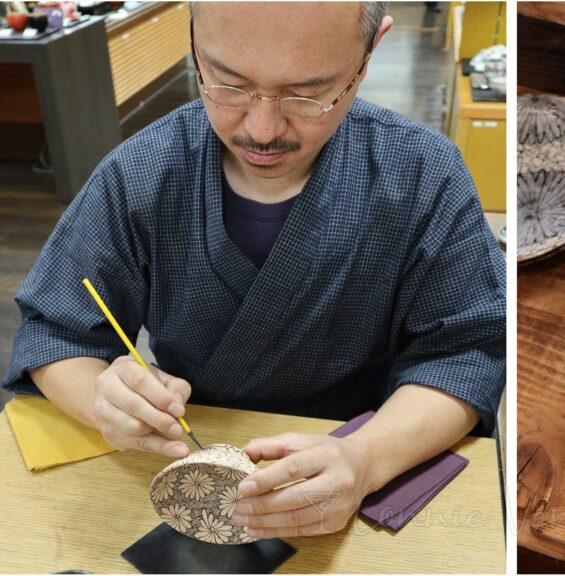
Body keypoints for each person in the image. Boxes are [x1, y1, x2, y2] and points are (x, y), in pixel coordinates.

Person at [1, 1, 505, 538]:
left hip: (356, 457)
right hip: (188, 459)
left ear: (369, 52)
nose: (262, 130)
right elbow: (56, 335)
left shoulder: (424, 175)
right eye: (228, 83)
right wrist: (104, 399)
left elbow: (464, 353)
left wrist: (366, 458)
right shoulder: (141, 173)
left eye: (307, 93)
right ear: (193, 38)